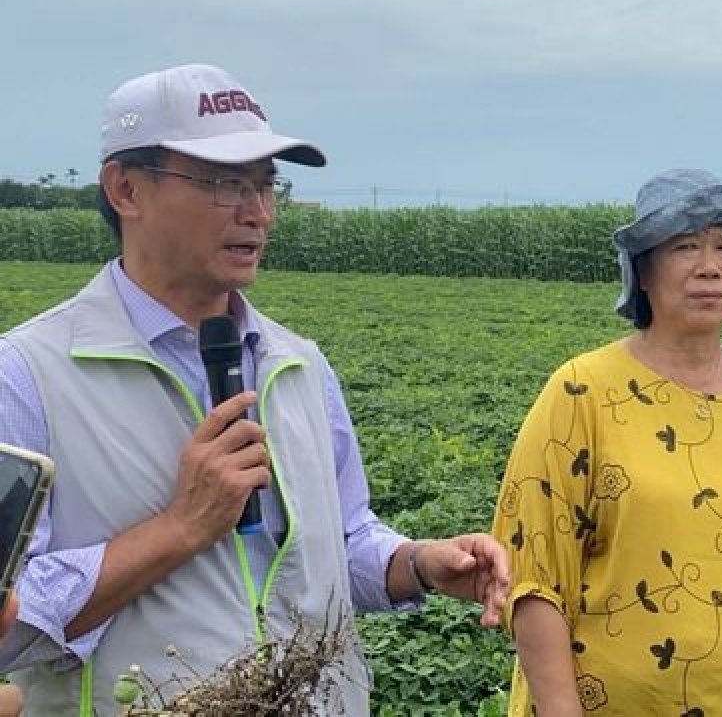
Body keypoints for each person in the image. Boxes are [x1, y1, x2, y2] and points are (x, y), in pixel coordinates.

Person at [0, 63, 510, 715]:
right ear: (125, 189)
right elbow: (8, 624)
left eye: (267, 184)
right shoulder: (26, 375)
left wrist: (416, 563)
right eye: (223, 183)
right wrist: (179, 529)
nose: (257, 212)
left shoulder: (298, 365)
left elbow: (343, 542)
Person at [491, 168, 722, 716]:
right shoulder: (582, 391)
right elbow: (534, 576)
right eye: (684, 246)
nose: (709, 267)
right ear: (644, 270)